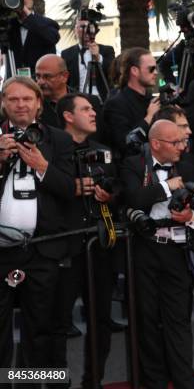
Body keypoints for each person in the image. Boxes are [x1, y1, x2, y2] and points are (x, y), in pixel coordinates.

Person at [0, 77, 75, 375]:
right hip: (1, 251)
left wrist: (43, 166)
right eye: (13, 99)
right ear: (4, 103)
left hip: (43, 250)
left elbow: (70, 189)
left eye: (27, 99)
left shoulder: (60, 140)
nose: (20, 104)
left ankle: (30, 383)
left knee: (39, 329)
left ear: (39, 104)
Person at [120, 120, 194, 389]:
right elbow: (132, 200)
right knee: (147, 319)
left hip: (178, 250)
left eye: (182, 141)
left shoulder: (188, 163)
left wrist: (191, 215)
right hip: (146, 249)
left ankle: (184, 381)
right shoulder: (133, 165)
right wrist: (167, 187)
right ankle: (153, 382)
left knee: (178, 320)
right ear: (156, 144)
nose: (182, 146)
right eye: (175, 142)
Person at [51, 93, 116, 388]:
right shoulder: (49, 152)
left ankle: (94, 382)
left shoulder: (103, 151)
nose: (93, 113)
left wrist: (109, 195)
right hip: (62, 250)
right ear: (67, 116)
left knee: (101, 321)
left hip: (98, 249)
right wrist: (71, 187)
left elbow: (117, 191)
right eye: (86, 109)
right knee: (56, 326)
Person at [103, 47, 160, 157]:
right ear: (134, 71)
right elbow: (125, 144)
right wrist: (148, 118)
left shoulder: (152, 101)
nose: (156, 72)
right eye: (151, 69)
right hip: (132, 168)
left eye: (156, 68)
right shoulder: (115, 104)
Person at [8, 0, 60, 76]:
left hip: (40, 82)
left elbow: (53, 38)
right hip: (15, 82)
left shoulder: (47, 23)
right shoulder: (9, 25)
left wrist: (27, 15)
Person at [61, 18, 116, 100]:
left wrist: (98, 57)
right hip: (77, 100)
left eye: (88, 27)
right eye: (82, 27)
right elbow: (65, 79)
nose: (86, 31)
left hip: (102, 99)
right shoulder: (67, 54)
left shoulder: (107, 50)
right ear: (75, 31)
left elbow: (113, 73)